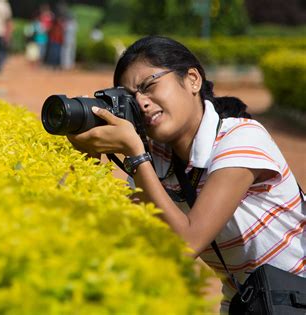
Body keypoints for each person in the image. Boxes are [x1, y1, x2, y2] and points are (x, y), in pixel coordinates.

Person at [67, 35, 305, 313]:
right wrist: (88, 156)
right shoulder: (156, 158)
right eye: (130, 98)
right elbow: (127, 241)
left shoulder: (240, 138)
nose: (141, 103)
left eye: (148, 86)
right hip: (251, 303)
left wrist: (135, 154)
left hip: (296, 294)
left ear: (193, 79)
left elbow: (187, 243)